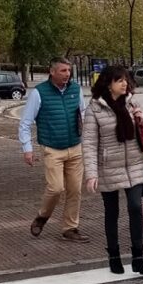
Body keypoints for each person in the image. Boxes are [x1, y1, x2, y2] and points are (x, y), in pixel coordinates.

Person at [82, 66, 143, 275]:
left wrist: (141, 119)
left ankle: (138, 257)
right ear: (108, 83)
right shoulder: (95, 108)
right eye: (119, 80)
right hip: (108, 166)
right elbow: (89, 143)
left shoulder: (132, 102)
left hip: (134, 164)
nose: (124, 84)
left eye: (125, 80)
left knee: (135, 206)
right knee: (112, 212)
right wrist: (92, 173)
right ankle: (114, 255)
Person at [19, 57, 89, 243]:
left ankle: (70, 228)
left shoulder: (75, 90)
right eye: (63, 71)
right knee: (56, 188)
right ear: (52, 72)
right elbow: (25, 123)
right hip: (52, 148)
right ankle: (42, 216)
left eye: (68, 71)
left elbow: (83, 114)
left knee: (75, 190)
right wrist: (27, 148)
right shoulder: (39, 93)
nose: (67, 74)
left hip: (75, 146)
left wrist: (86, 141)